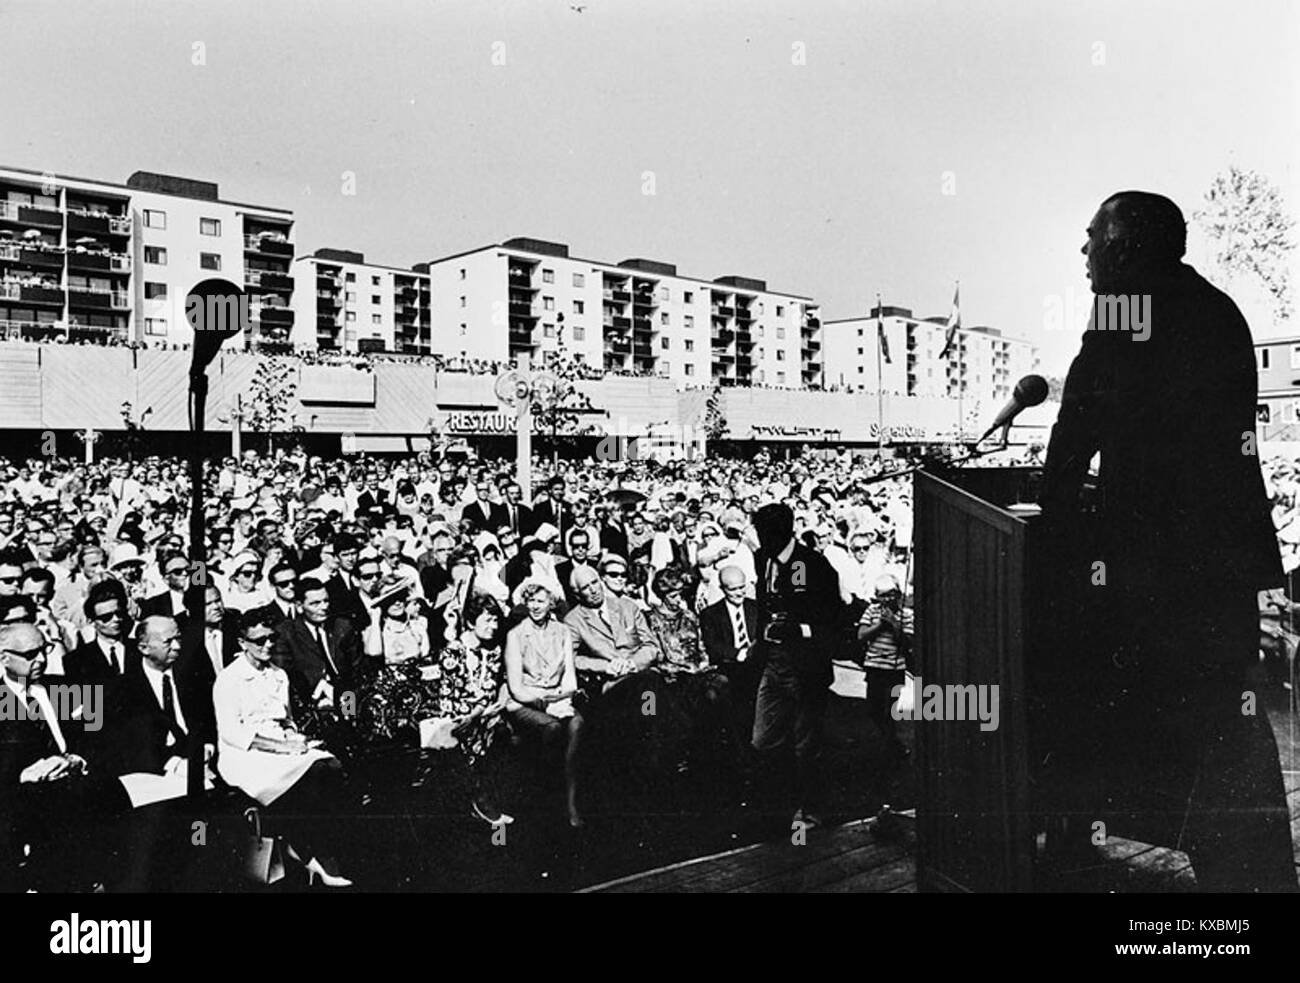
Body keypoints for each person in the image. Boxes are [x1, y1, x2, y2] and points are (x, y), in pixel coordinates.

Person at [1038, 190, 1296, 891]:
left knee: (1113, 707)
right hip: (1217, 570)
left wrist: (1057, 512)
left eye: (1093, 237)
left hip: (1146, 573)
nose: (1084, 251)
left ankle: (1069, 840)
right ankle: (1253, 871)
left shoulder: (1122, 305)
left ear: (1123, 246)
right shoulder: (1221, 311)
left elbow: (1078, 423)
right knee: (1222, 722)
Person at [214, 611, 353, 888]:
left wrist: (292, 736)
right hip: (245, 753)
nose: (268, 645)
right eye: (259, 640)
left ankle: (305, 845)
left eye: (272, 638)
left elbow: (286, 718)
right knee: (312, 774)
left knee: (332, 766)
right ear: (242, 643)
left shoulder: (279, 674)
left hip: (281, 744)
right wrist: (282, 747)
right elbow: (232, 734)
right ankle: (311, 851)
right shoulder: (229, 679)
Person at [750, 502, 845, 830]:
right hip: (774, 663)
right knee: (763, 740)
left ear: (783, 532)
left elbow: (836, 622)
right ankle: (783, 803)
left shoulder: (816, 566)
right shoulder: (762, 559)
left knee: (807, 745)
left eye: (766, 534)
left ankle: (812, 810)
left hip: (806, 667)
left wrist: (801, 630)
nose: (762, 540)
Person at [423, 594, 513, 825]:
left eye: (495, 621)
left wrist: (501, 700)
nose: (493, 627)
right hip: (461, 717)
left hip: (488, 712)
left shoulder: (493, 649)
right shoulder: (454, 650)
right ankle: (480, 804)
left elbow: (502, 680)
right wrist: (476, 713)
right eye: (487, 621)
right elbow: (449, 697)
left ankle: (490, 802)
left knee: (502, 731)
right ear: (472, 622)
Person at [503, 580, 583, 827]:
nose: (535, 606)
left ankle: (570, 803)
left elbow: (570, 679)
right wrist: (545, 702)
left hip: (558, 697)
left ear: (551, 603)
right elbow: (516, 688)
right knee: (552, 728)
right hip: (525, 702)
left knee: (577, 725)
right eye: (531, 601)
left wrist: (559, 698)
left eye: (541, 600)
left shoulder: (563, 632)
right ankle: (545, 798)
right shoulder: (516, 635)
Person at [856, 574, 912, 764]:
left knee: (889, 709)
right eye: (883, 595)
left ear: (898, 594)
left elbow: (907, 642)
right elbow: (861, 635)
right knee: (874, 708)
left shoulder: (906, 614)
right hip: (874, 667)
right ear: (876, 597)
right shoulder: (872, 611)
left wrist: (894, 624)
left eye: (891, 594)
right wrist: (881, 625)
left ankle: (888, 752)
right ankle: (893, 746)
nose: (887, 599)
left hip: (894, 669)